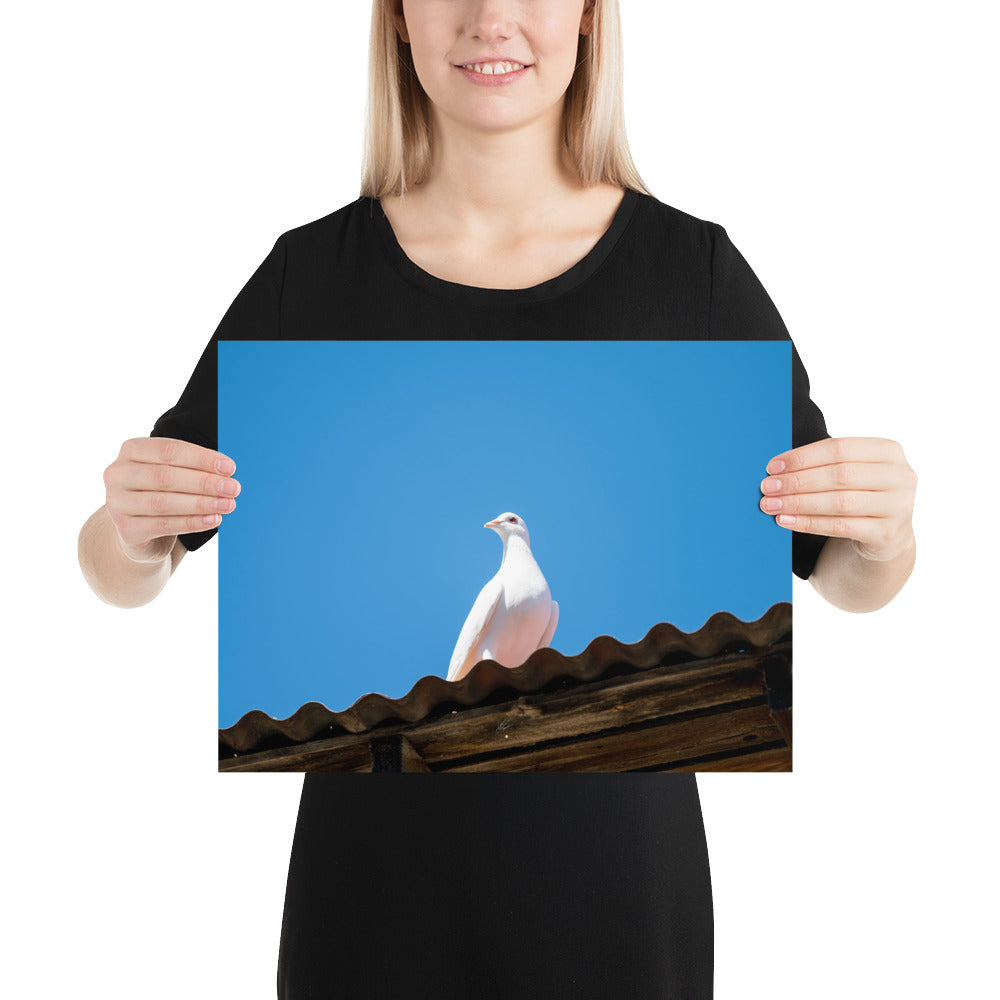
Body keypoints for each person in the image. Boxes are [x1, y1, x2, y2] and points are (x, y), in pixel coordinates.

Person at [77, 1, 917, 996]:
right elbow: (123, 565)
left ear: (592, 17)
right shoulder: (309, 279)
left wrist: (884, 532)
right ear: (396, 18)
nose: (491, 18)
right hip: (373, 898)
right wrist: (130, 533)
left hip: (617, 901)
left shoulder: (692, 277)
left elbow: (843, 575)